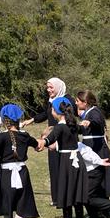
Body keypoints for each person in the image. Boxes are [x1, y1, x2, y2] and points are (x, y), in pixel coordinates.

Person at [39, 96, 88, 218]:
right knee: (77, 195)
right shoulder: (72, 124)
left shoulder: (60, 127)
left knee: (66, 195)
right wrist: (84, 124)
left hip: (66, 162)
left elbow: (49, 139)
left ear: (55, 111)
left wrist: (39, 143)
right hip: (78, 160)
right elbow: (82, 128)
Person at [75, 90, 110, 218]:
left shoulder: (94, 112)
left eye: (77, 101)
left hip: (98, 151)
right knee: (95, 187)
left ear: (85, 102)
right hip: (91, 148)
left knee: (99, 185)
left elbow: (97, 122)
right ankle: (98, 216)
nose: (76, 103)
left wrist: (89, 122)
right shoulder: (87, 112)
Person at [21, 77, 71, 205]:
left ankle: (66, 197)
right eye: (47, 87)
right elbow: (46, 114)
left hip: (64, 138)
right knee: (54, 167)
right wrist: (31, 120)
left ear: (58, 87)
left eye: (51, 87)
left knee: (64, 168)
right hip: (52, 137)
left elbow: (71, 117)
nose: (48, 90)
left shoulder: (67, 100)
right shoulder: (51, 101)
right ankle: (56, 198)